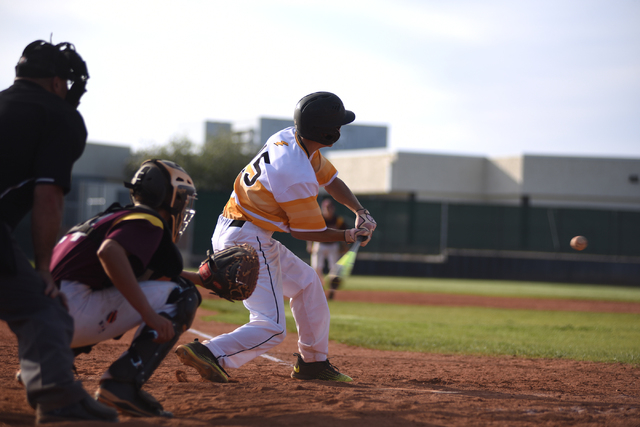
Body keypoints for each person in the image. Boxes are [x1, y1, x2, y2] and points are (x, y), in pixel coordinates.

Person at [175, 91, 377, 382]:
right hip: (248, 237)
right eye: (337, 124)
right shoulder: (295, 172)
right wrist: (349, 235)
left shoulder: (292, 139)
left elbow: (331, 180)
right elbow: (305, 231)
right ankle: (210, 352)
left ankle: (313, 363)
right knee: (271, 325)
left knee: (308, 284)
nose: (340, 128)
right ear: (326, 132)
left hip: (241, 229)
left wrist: (359, 210)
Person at [0, 40, 119, 424]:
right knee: (43, 309)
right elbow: (48, 197)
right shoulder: (58, 115)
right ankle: (58, 401)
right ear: (56, 82)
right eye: (66, 84)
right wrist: (44, 271)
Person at [50, 159, 201, 418]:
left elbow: (146, 271)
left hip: (43, 323)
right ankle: (121, 385)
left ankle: (50, 368)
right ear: (170, 197)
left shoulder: (113, 216)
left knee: (161, 283)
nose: (184, 204)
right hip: (71, 315)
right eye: (183, 197)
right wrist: (149, 315)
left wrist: (202, 277)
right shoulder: (149, 220)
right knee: (183, 294)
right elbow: (109, 252)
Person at [306, 198, 348, 299]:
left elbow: (344, 234)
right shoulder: (318, 218)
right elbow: (310, 232)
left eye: (330, 207)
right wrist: (309, 244)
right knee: (316, 268)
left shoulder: (338, 220)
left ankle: (332, 291)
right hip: (319, 244)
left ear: (333, 208)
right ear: (322, 208)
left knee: (334, 269)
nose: (328, 210)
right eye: (326, 207)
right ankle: (320, 288)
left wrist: (345, 246)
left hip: (333, 246)